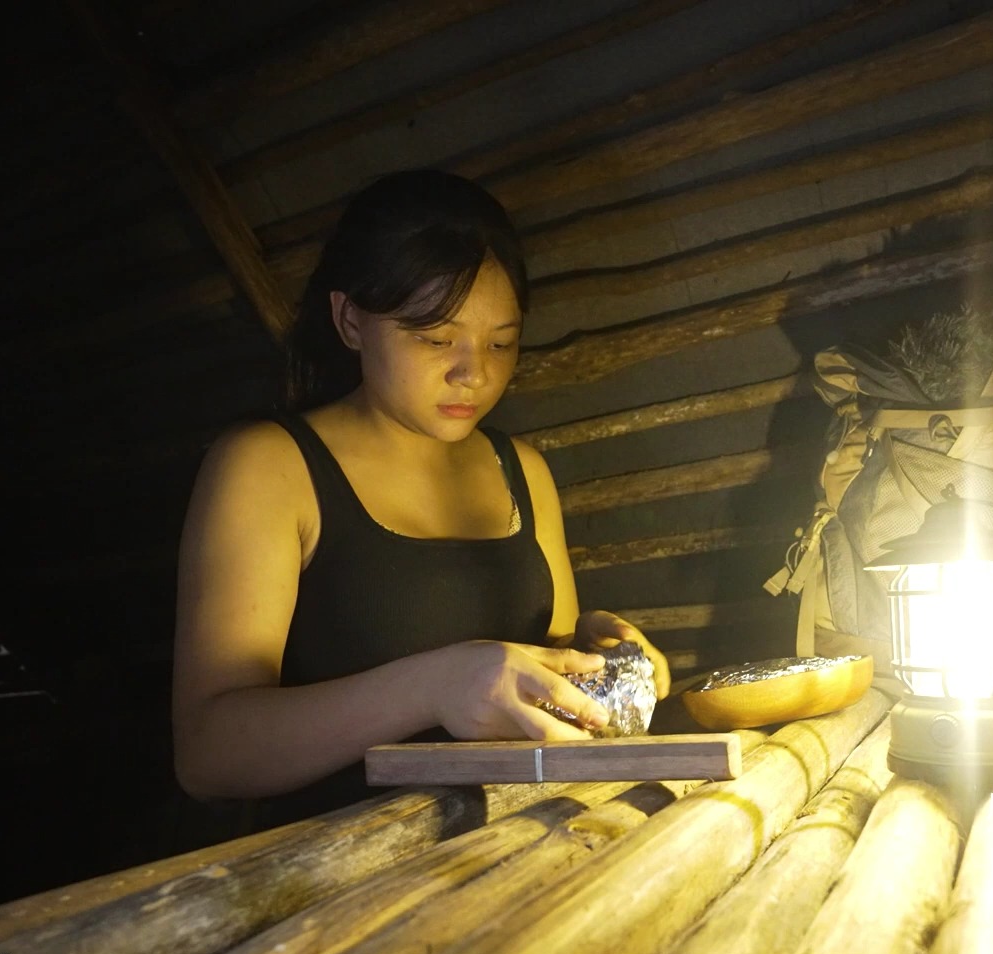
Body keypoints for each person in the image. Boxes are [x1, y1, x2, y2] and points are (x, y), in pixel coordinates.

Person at [170, 170, 670, 816]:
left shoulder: (522, 472)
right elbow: (209, 753)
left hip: (511, 862)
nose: (474, 372)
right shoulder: (268, 468)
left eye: (502, 342)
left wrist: (593, 662)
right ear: (351, 320)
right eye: (436, 339)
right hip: (331, 887)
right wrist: (435, 686)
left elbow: (537, 686)